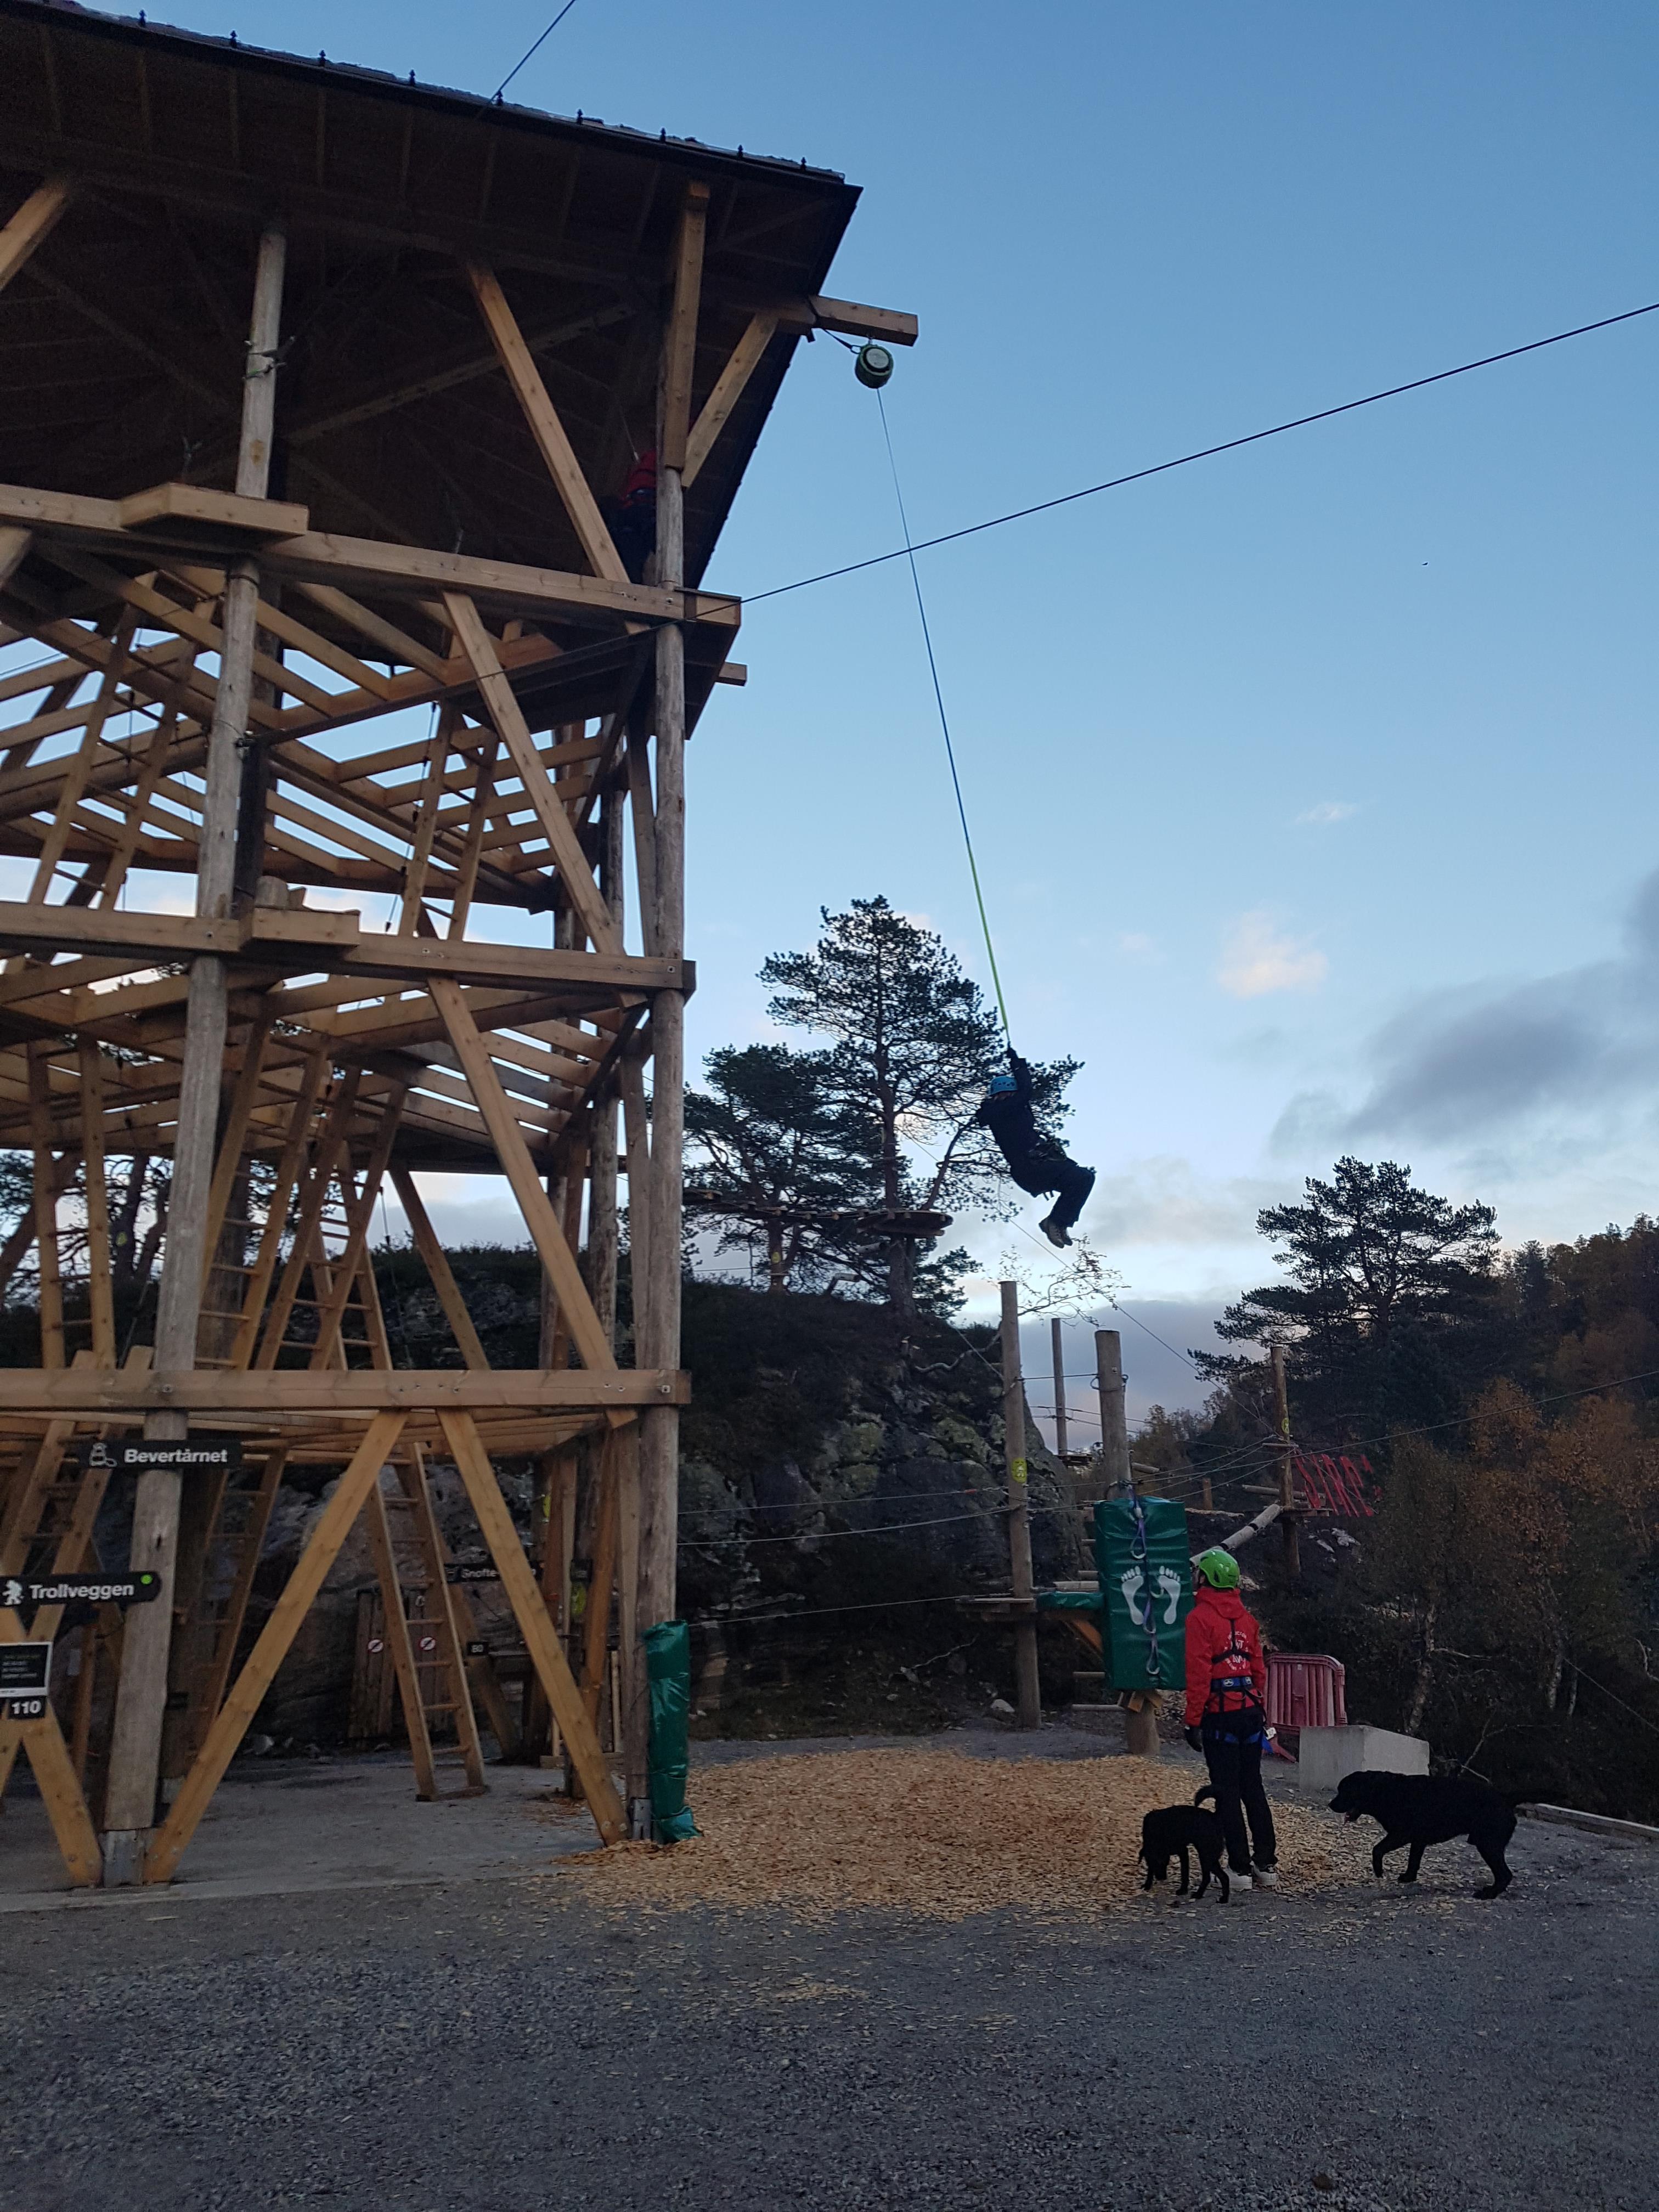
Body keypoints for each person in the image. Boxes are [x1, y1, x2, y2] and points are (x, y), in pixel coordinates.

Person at [1182, 1548, 1279, 1892]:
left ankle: (1238, 1869)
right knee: (1253, 1786)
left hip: (1220, 1715)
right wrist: (1261, 1709)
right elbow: (1258, 1671)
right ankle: (1266, 1864)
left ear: (1206, 1578)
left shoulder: (1199, 1619)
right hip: (1251, 1712)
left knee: (1226, 1791)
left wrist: (1193, 1721)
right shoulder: (1248, 1619)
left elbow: (1199, 1673)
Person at [977, 1050, 1096, 1249]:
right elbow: (1026, 1090)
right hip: (1033, 1166)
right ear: (1007, 1094)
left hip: (1033, 1168)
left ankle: (1059, 1222)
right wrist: (1017, 1064)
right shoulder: (1005, 1109)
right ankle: (1056, 1222)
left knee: (1081, 1180)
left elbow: (1024, 1095)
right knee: (1082, 1178)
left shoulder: (1005, 1110)